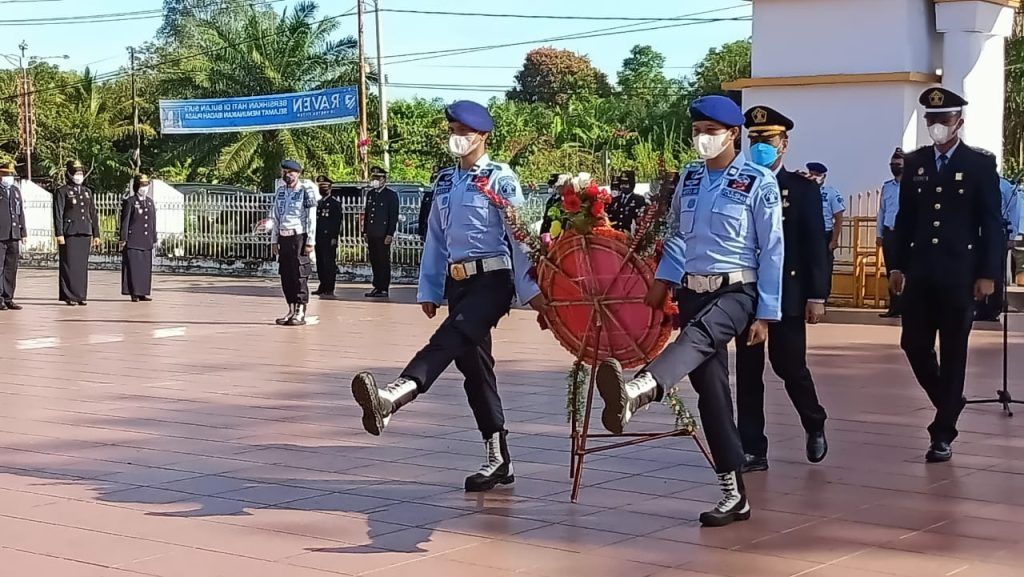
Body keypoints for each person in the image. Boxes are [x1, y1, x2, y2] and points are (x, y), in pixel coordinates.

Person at [593, 95, 784, 527]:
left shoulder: (758, 182)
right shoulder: (692, 179)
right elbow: (679, 235)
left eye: (710, 132)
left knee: (695, 339)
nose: (702, 140)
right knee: (712, 395)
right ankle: (733, 494)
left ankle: (638, 391)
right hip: (694, 292)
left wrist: (767, 313)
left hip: (738, 292)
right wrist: (663, 281)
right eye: (697, 132)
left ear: (733, 134)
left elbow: (772, 248)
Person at [350, 100, 546, 493]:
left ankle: (394, 396)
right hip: (458, 284)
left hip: (493, 279)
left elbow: (518, 238)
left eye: (462, 132)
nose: (456, 138)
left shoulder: (499, 178)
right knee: (475, 371)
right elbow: (436, 238)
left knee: (450, 338)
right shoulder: (444, 181)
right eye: (453, 131)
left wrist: (534, 293)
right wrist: (430, 288)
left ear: (482, 136)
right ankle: (498, 458)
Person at [889, 87, 1001, 463]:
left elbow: (991, 224)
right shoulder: (916, 162)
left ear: (959, 122)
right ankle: (950, 403)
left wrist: (989, 274)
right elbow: (904, 220)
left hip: (959, 274)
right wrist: (896, 264)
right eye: (931, 120)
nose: (936, 126)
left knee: (954, 352)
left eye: (944, 120)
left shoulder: (979, 164)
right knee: (914, 345)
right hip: (920, 273)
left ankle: (942, 433)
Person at [734, 105, 829, 473]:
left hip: (788, 292)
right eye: (754, 139)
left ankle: (814, 419)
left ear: (784, 144)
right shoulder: (737, 183)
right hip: (746, 292)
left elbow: (814, 246)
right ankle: (753, 447)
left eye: (767, 140)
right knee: (748, 372)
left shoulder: (802, 189)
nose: (760, 145)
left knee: (789, 365)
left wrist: (817, 295)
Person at [266, 159, 317, 326]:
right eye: (284, 172)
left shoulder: (305, 191)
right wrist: (274, 240)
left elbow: (311, 218)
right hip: (283, 237)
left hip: (299, 237)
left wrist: (310, 241)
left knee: (299, 275)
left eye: (290, 172)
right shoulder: (280, 192)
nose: (287, 175)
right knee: (286, 275)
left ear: (298, 173)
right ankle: (290, 310)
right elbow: (276, 217)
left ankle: (300, 311)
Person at [53, 160, 100, 306]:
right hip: (70, 232)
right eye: (76, 173)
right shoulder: (62, 191)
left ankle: (80, 295)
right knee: (69, 265)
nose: (79, 175)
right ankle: (68, 295)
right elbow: (58, 214)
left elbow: (92, 213)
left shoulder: (87, 192)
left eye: (80, 173)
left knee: (81, 266)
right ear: (69, 174)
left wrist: (96, 234)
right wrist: (59, 234)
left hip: (84, 231)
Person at [974, 176, 1020, 321]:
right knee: (975, 269)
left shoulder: (1005, 185)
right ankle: (977, 305)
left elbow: (1014, 209)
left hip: (997, 231)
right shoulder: (974, 179)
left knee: (996, 270)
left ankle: (994, 308)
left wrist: (1012, 234)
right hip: (975, 231)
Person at [806, 162, 844, 299]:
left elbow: (839, 218)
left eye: (817, 175)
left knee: (823, 267)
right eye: (812, 174)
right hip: (807, 234)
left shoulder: (831, 193)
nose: (814, 177)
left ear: (824, 176)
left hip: (824, 234)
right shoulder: (803, 191)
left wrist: (834, 240)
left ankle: (822, 296)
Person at [119, 174, 157, 302]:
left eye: (146, 185)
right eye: (142, 185)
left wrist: (154, 238)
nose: (144, 188)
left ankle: (143, 292)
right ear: (136, 186)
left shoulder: (150, 202)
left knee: (145, 269)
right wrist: (123, 238)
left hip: (146, 240)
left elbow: (153, 222)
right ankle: (134, 292)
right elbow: (125, 222)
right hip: (133, 240)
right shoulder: (130, 202)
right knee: (134, 268)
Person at [363, 166, 399, 298]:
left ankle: (384, 287)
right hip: (372, 233)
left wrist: (390, 234)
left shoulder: (390, 195)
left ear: (384, 179)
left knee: (383, 261)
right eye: (374, 178)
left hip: (383, 234)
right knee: (374, 260)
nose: (375, 180)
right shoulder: (371, 194)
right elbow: (367, 214)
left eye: (378, 178)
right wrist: (365, 231)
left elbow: (393, 216)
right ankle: (377, 286)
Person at [877, 149, 905, 318]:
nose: (895, 167)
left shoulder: (912, 185)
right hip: (890, 233)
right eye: (892, 164)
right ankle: (894, 307)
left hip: (905, 234)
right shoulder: (887, 187)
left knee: (905, 271)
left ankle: (906, 306)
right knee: (891, 270)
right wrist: (879, 234)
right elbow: (882, 211)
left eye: (898, 164)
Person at [0, 161, 25, 311]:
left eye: (11, 175)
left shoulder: (15, 191)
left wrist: (23, 232)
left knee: (11, 268)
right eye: (6, 175)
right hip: (0, 235)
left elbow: (20, 212)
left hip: (13, 234)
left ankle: (8, 297)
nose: (9, 177)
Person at [312, 175, 342, 297]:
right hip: (318, 237)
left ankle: (329, 287)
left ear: (330, 188)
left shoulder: (335, 204)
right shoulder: (318, 203)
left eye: (324, 187)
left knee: (328, 262)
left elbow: (337, 222)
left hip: (329, 238)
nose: (322, 189)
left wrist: (334, 237)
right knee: (320, 262)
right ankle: (322, 285)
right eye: (320, 187)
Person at [607, 169, 648, 233]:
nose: (623, 186)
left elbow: (640, 219)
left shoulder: (638, 200)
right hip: (614, 236)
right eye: (622, 183)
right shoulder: (615, 200)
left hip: (630, 236)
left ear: (632, 184)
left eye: (626, 184)